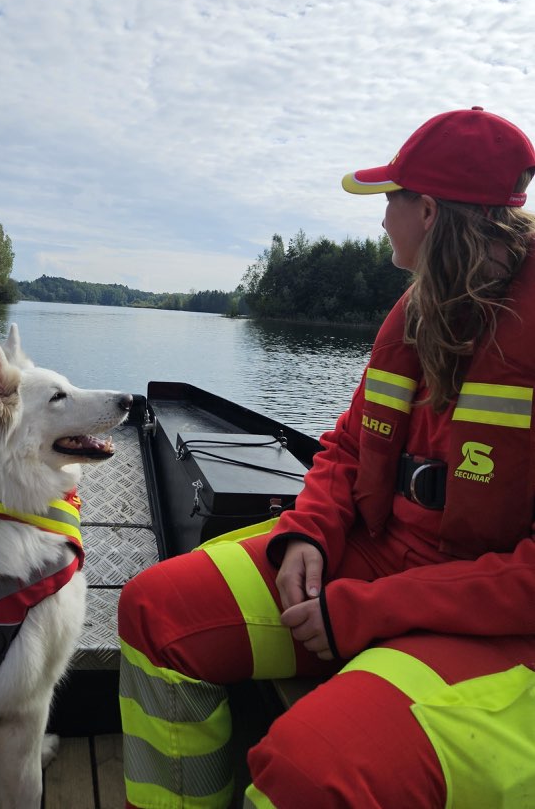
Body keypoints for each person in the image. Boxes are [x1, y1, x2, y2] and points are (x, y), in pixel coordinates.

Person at [118, 106, 535, 809]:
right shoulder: (413, 313)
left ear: (428, 211)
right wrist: (308, 531)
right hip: (379, 561)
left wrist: (370, 611)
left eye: (390, 200)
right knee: (156, 613)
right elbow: (348, 448)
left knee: (308, 773)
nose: (381, 221)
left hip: (498, 620)